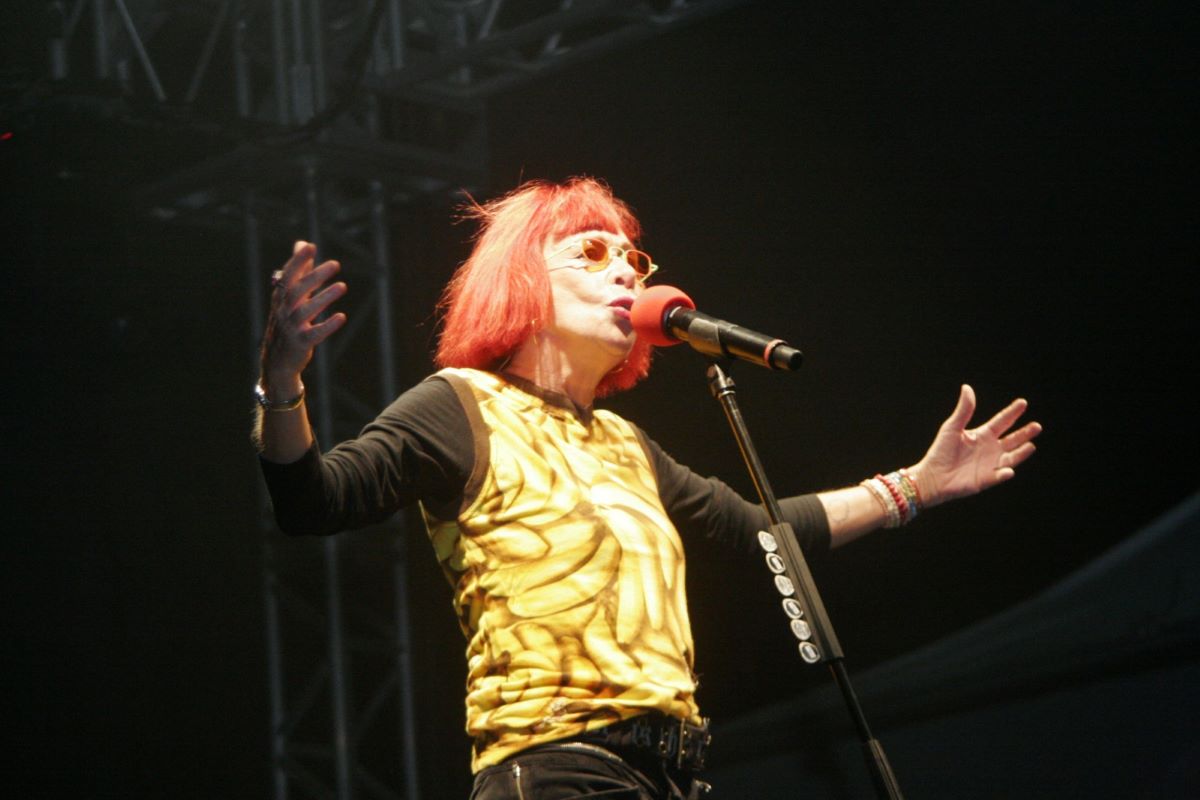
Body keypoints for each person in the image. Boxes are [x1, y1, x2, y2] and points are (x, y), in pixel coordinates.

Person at [253, 177, 1041, 799]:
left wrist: (917, 486)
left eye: (633, 257)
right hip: (557, 770)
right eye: (591, 253)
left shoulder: (628, 445)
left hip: (670, 774)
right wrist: (282, 381)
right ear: (523, 284)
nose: (626, 269)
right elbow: (313, 499)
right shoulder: (460, 404)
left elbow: (761, 531)